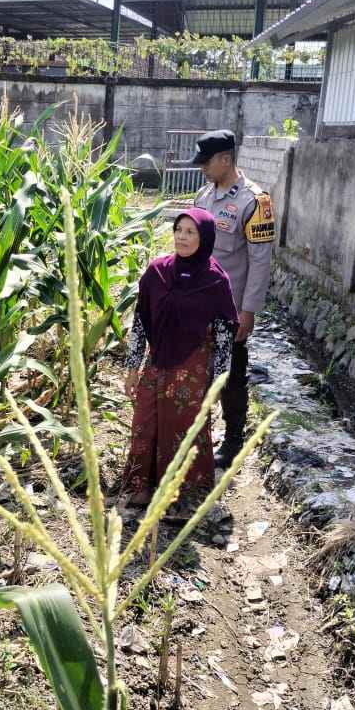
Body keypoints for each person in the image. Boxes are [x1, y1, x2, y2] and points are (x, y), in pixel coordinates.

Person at [122, 208, 239, 514]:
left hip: (192, 365)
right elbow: (140, 321)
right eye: (179, 230)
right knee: (144, 423)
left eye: (191, 232)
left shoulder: (215, 281)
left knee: (181, 429)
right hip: (157, 360)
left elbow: (226, 332)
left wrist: (219, 381)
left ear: (205, 238)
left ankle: (178, 494)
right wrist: (132, 366)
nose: (182, 237)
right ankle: (142, 485)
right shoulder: (157, 272)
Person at [190, 129, 275, 470]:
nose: (202, 170)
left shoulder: (255, 202)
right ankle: (196, 435)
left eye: (206, 163)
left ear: (225, 159)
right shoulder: (203, 196)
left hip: (229, 308)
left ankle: (234, 439)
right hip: (197, 304)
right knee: (196, 371)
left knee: (231, 376)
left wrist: (248, 310)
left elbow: (261, 260)